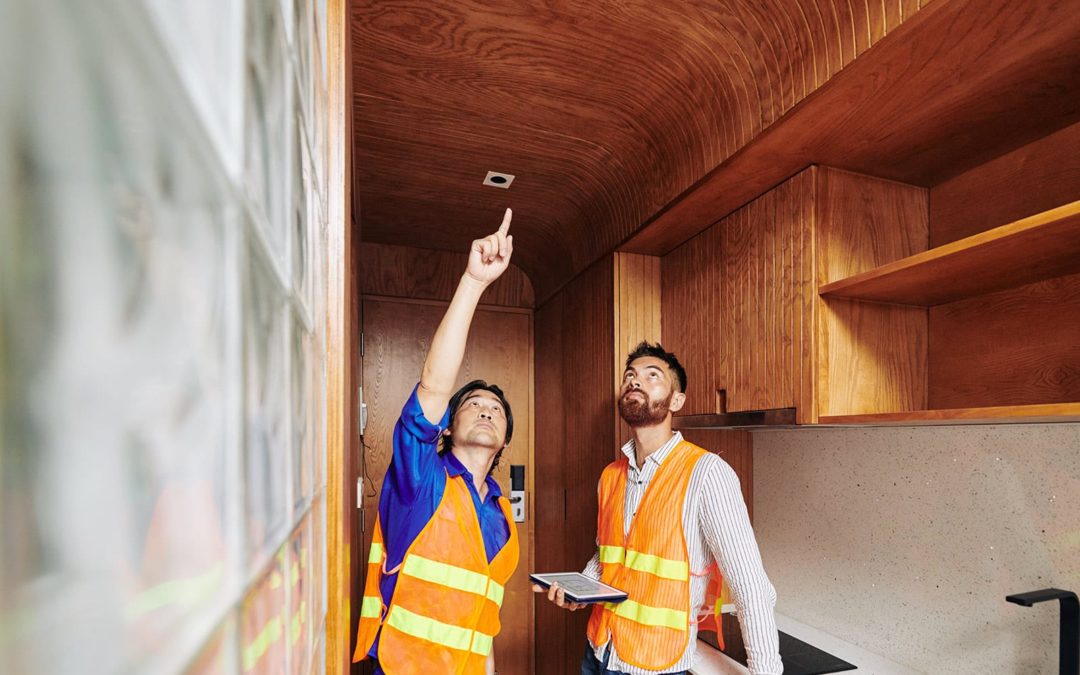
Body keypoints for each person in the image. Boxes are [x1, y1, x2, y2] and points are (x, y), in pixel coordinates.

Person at [535, 342, 783, 675]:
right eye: (630, 376)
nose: (635, 381)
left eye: (652, 376)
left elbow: (751, 587)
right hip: (598, 652)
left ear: (677, 400)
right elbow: (609, 555)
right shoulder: (611, 476)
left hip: (655, 665)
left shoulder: (707, 473)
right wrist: (579, 588)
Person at [354, 209, 519, 675]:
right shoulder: (420, 480)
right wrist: (473, 282)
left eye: (497, 410)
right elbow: (434, 387)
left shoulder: (502, 514)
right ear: (445, 426)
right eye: (473, 405)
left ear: (504, 441)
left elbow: (482, 617)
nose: (487, 410)